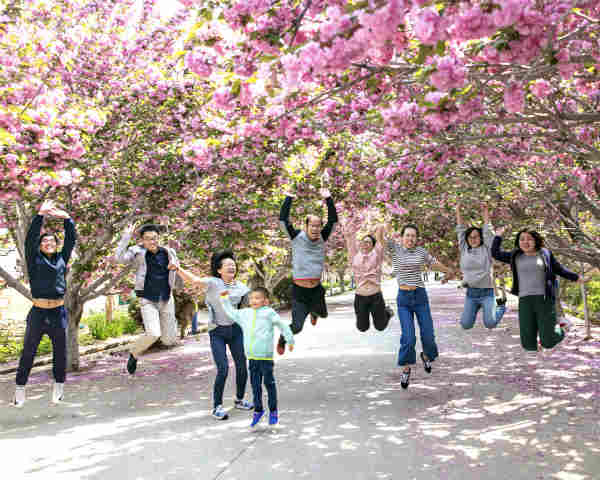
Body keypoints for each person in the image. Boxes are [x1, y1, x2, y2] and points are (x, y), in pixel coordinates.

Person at [175, 250, 253, 420]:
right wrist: (177, 268)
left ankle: (239, 400)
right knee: (223, 368)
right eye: (228, 265)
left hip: (235, 331)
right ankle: (217, 406)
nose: (232, 267)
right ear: (219, 270)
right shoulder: (213, 283)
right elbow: (194, 280)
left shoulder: (241, 287)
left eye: (233, 265)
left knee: (242, 365)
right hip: (217, 331)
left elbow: (248, 308)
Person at [14, 200, 76, 407]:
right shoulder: (34, 259)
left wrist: (67, 219)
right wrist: (40, 215)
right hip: (39, 312)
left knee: (60, 352)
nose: (48, 243)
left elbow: (71, 240)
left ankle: (59, 389)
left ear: (56, 245)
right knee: (28, 352)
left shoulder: (62, 258)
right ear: (40, 245)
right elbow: (29, 239)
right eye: (45, 241)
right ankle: (20, 390)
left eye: (52, 241)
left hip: (58, 311)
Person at [491, 227, 585, 352]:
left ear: (535, 240)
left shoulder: (545, 254)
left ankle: (562, 328)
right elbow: (495, 253)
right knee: (528, 345)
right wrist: (497, 236)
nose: (525, 242)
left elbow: (559, 269)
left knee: (548, 342)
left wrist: (576, 277)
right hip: (525, 300)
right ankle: (547, 333)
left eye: (529, 239)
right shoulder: (515, 255)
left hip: (544, 299)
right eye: (522, 239)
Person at [385, 223, 455, 389]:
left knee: (428, 335)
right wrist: (381, 227)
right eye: (407, 235)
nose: (410, 238)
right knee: (408, 338)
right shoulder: (395, 249)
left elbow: (433, 263)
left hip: (420, 296)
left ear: (416, 239)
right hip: (403, 299)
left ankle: (426, 356)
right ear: (402, 237)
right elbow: (380, 238)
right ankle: (407, 369)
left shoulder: (421, 252)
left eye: (413, 236)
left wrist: (448, 270)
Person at [220, 287, 294, 427]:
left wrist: (289, 340)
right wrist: (224, 299)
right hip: (252, 358)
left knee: (269, 385)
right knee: (255, 386)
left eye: (257, 298)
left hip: (265, 358)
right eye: (252, 298)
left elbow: (283, 325)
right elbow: (231, 312)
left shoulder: (269, 313)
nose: (254, 300)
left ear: (265, 301)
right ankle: (258, 411)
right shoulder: (245, 314)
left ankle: (273, 412)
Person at [277, 187, 338, 355]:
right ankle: (283, 336)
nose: (316, 229)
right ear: (306, 226)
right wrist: (288, 197)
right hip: (300, 290)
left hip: (316, 289)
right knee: (296, 327)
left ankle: (315, 311)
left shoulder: (322, 237)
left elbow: (332, 221)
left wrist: (328, 198)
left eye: (319, 226)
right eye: (312, 225)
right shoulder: (296, 237)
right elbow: (283, 221)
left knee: (323, 314)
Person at [113, 224, 180, 375]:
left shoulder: (169, 252)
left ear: (159, 238)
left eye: (155, 238)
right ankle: (134, 353)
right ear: (142, 241)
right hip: (148, 299)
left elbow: (177, 271)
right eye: (148, 239)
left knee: (169, 340)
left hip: (167, 298)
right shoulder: (136, 252)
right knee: (153, 333)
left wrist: (176, 267)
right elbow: (119, 259)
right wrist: (126, 237)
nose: (152, 242)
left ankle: (171, 327)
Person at [455, 202, 506, 330]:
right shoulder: (464, 248)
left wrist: (485, 212)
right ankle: (475, 309)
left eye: (476, 237)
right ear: (466, 239)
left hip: (487, 293)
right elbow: (460, 228)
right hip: (471, 293)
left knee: (490, 323)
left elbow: (488, 231)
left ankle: (501, 307)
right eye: (470, 237)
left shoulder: (487, 249)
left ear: (480, 238)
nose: (473, 239)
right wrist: (458, 210)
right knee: (465, 325)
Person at [342, 219, 392, 332]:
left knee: (380, 327)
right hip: (360, 298)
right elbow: (350, 240)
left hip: (376, 297)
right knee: (362, 327)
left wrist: (379, 226)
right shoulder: (354, 256)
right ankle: (365, 318)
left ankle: (387, 313)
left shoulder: (377, 256)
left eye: (368, 242)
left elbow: (379, 237)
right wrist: (351, 228)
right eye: (363, 241)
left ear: (373, 246)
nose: (365, 243)